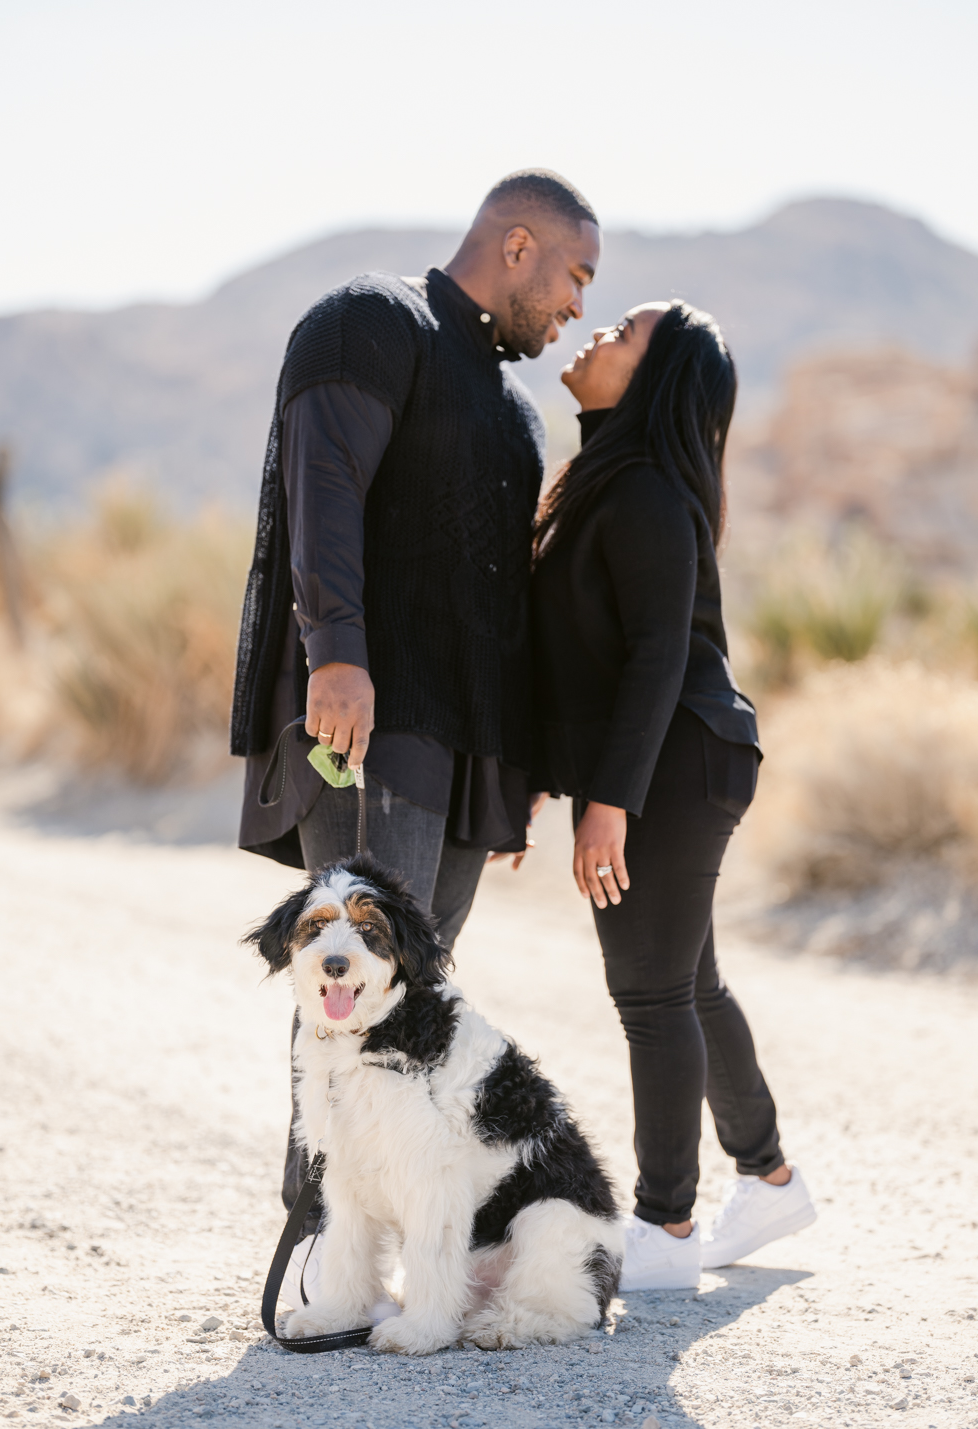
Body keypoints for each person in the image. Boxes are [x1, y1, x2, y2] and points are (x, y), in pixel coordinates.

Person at [230, 168, 602, 1301]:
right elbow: (323, 481)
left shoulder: (510, 404)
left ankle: (379, 1254)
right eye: (577, 276)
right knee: (338, 985)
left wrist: (514, 771)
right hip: (365, 717)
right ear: (522, 243)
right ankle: (313, 1257)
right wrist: (336, 648)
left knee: (411, 1010)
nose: (578, 307)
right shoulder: (368, 321)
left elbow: (498, 602)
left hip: (461, 749)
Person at [530, 301, 816, 1288]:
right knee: (688, 984)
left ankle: (665, 1232)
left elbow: (657, 657)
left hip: (673, 759)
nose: (598, 333)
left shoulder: (645, 489)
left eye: (625, 331)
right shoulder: (613, 478)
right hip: (674, 757)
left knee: (650, 992)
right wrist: (541, 783)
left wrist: (606, 801)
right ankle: (770, 1180)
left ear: (651, 381)